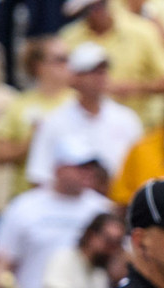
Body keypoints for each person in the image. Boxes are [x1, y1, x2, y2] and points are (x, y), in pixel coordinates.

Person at [27, 44, 146, 187]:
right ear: (75, 78)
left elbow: (140, 171)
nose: (100, 77)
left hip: (118, 203)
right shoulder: (54, 121)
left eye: (103, 71)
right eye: (92, 71)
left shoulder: (127, 119)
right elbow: (39, 176)